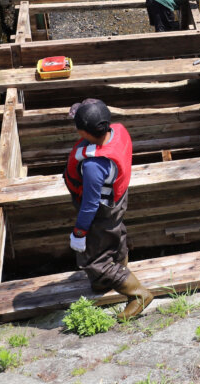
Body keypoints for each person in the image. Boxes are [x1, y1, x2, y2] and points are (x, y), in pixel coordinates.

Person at [65, 99, 153, 320]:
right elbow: (96, 111)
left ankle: (138, 294)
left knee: (94, 260)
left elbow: (90, 204)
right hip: (117, 200)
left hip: (100, 212)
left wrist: (79, 233)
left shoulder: (94, 165)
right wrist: (84, 110)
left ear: (84, 131)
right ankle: (111, 276)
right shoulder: (117, 131)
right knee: (116, 235)